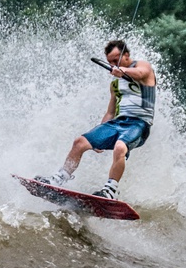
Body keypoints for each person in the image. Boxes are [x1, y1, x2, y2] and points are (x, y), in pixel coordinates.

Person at [36, 40, 156, 199]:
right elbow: (110, 112)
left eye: (116, 60)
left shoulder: (142, 67)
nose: (113, 64)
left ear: (126, 55)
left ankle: (110, 190)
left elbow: (141, 73)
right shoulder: (115, 85)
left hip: (139, 125)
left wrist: (122, 70)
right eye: (110, 62)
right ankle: (58, 179)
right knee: (80, 143)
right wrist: (101, 135)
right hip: (117, 123)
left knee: (120, 148)